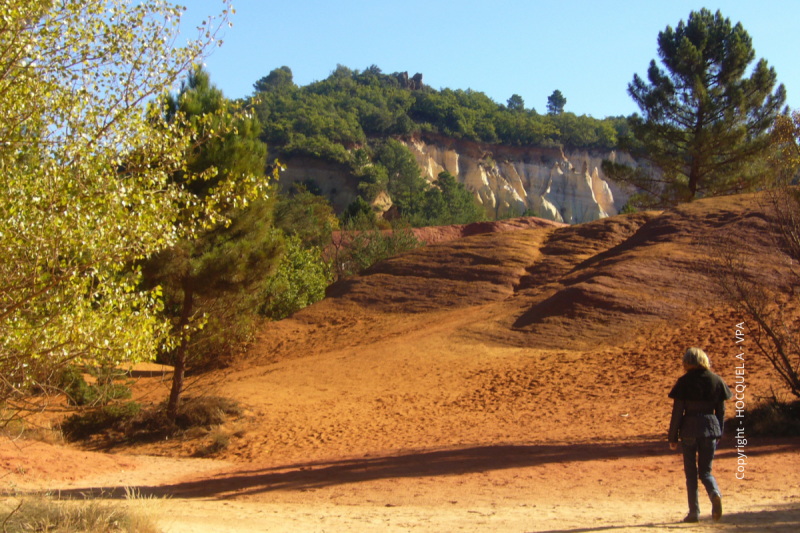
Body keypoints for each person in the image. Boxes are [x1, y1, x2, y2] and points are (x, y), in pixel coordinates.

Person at [668, 347, 732, 523]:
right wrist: (719, 433)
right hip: (710, 429)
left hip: (689, 429)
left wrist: (673, 437)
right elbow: (721, 412)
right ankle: (714, 493)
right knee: (706, 472)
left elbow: (677, 412)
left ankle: (694, 512)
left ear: (687, 362)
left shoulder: (684, 382)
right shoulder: (716, 380)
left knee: (691, 474)